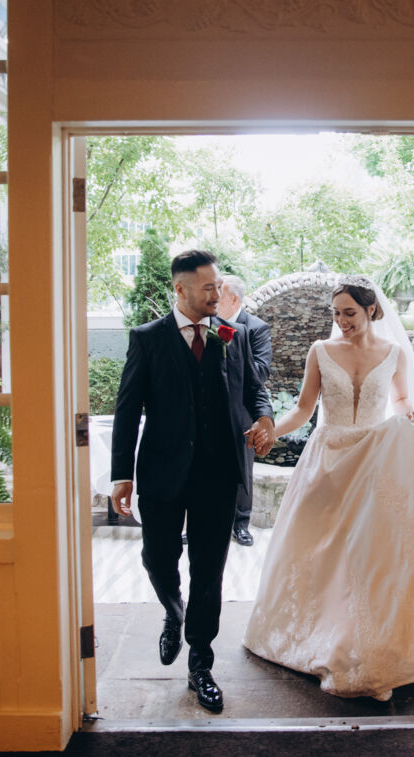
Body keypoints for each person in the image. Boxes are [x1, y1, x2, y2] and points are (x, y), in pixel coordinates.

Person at [243, 276, 414, 701]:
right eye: (336, 313)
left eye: (349, 313)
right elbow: (304, 409)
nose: (341, 321)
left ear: (372, 311)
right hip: (329, 462)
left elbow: (400, 401)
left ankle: (374, 642)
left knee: (374, 556)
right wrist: (271, 431)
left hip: (375, 459)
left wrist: (409, 415)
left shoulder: (395, 353)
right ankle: (322, 636)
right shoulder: (320, 351)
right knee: (323, 552)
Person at [109, 249, 275, 713]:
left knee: (209, 571)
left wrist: (264, 417)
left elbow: (253, 388)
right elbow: (127, 410)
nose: (217, 293)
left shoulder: (233, 334)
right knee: (158, 558)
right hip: (162, 472)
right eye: (208, 287)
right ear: (180, 289)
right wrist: (121, 475)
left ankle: (201, 663)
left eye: (218, 285)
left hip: (218, 474)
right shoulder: (147, 339)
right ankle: (173, 610)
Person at [217, 274, 272, 546]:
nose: (213, 300)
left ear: (234, 299)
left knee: (242, 467)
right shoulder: (207, 325)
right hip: (211, 409)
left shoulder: (256, 328)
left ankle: (241, 524)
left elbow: (260, 371)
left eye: (219, 295)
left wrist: (231, 363)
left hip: (243, 409)